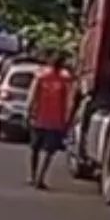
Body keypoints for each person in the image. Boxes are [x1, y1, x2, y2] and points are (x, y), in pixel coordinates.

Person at [27, 54, 75, 190]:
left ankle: (33, 176)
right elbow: (70, 101)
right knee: (48, 151)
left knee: (35, 148)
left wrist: (29, 111)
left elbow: (32, 95)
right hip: (55, 121)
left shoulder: (41, 75)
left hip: (40, 118)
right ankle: (40, 178)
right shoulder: (65, 79)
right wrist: (67, 119)